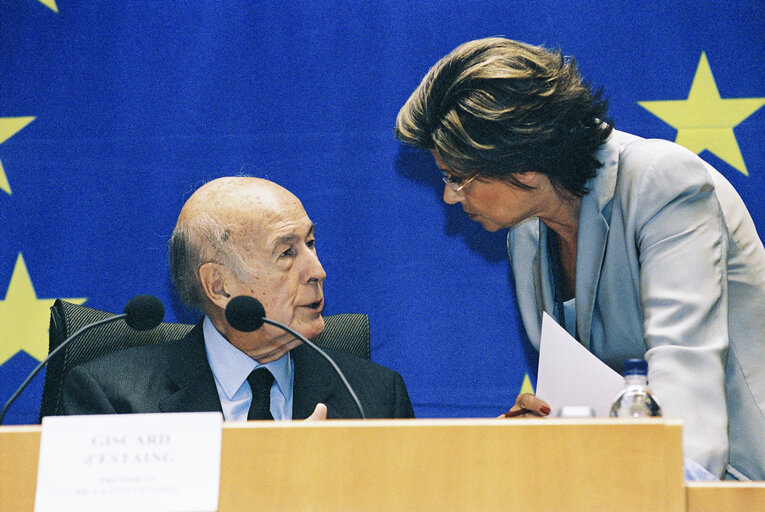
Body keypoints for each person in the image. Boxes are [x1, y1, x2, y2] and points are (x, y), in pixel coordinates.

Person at [395, 37, 765, 480]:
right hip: (634, 478)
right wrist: (550, 428)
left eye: (457, 177)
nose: (450, 197)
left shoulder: (661, 183)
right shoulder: (527, 235)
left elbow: (686, 386)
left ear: (524, 162)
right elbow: (609, 397)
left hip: (733, 482)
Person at [61, 177, 414, 420]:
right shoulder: (113, 400)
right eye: (287, 253)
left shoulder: (376, 397)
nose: (317, 270)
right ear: (219, 286)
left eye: (310, 243)